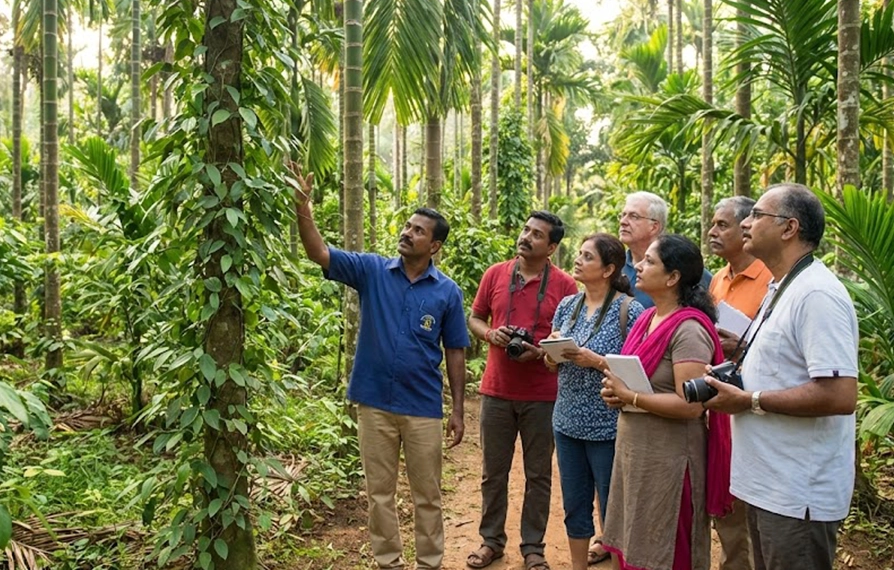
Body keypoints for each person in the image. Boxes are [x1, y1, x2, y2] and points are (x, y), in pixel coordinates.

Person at [287, 163, 470, 570]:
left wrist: (457, 410)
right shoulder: (371, 270)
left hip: (422, 406)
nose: (408, 232)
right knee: (379, 493)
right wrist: (304, 207)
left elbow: (456, 350)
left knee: (428, 494)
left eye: (419, 230)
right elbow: (318, 252)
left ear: (435, 246)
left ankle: (430, 563)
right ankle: (389, 562)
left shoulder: (447, 292)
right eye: (407, 226)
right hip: (373, 402)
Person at [704, 183, 859, 570]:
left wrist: (749, 400)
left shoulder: (816, 293)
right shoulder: (782, 286)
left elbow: (840, 394)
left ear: (789, 228)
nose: (747, 224)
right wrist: (741, 352)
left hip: (796, 492)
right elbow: (787, 363)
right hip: (767, 484)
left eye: (757, 215)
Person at [600, 234, 728, 570]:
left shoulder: (688, 330)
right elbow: (634, 380)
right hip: (635, 453)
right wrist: (617, 393)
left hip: (670, 461)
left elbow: (692, 405)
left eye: (650, 262)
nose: (638, 266)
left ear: (672, 278)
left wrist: (633, 397)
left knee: (667, 547)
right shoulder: (646, 319)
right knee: (634, 541)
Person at [467, 211, 578, 570]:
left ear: (552, 247)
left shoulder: (565, 285)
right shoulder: (494, 274)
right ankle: (491, 542)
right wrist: (490, 334)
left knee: (539, 474)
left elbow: (569, 340)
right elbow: (476, 317)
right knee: (493, 471)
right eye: (526, 229)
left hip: (543, 394)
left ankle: (533, 546)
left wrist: (541, 350)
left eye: (537, 234)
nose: (526, 237)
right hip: (497, 390)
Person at [544, 234, 645, 570]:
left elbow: (637, 369)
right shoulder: (566, 306)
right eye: (580, 253)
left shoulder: (629, 310)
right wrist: (553, 350)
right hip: (567, 420)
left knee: (613, 506)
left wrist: (596, 360)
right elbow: (549, 363)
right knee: (575, 503)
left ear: (608, 269)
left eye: (588, 256)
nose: (578, 259)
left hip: (609, 424)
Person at [706, 196, 772, 570]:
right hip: (723, 404)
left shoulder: (769, 279)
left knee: (750, 511)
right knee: (727, 507)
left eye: (722, 225)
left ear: (747, 227)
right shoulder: (718, 277)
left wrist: (742, 345)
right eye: (713, 224)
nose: (712, 231)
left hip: (757, 406)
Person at [619, 192, 711, 308]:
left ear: (654, 227)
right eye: (623, 215)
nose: (623, 222)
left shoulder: (686, 269)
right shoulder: (615, 267)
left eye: (634, 216)